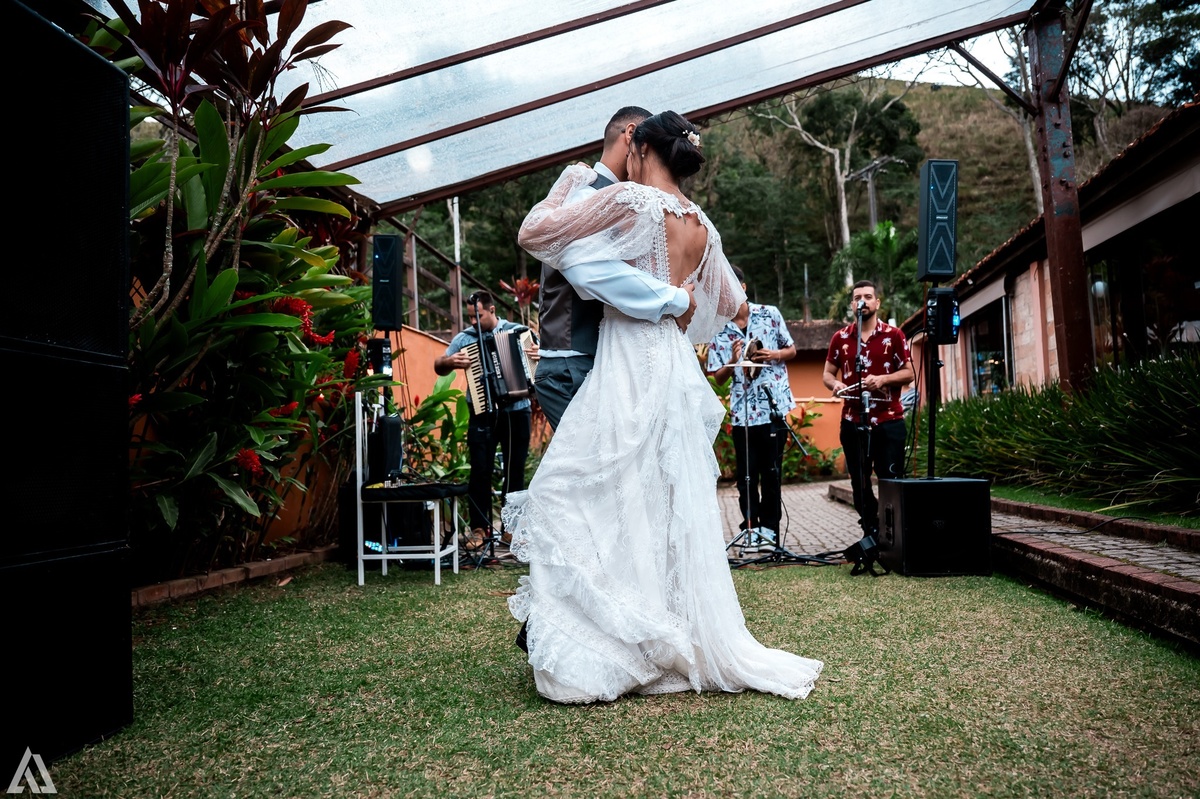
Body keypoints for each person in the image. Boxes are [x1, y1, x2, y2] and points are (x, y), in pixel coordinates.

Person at [508, 111, 823, 704]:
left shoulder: (631, 201)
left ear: (641, 146)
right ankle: (653, 630)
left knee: (568, 491)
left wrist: (642, 289)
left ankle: (623, 640)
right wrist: (679, 297)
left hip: (628, 361)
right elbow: (733, 304)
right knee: (658, 504)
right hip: (676, 366)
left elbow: (537, 234)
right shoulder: (703, 225)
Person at [535, 106, 695, 430]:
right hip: (573, 363)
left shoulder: (626, 201)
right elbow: (587, 271)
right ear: (632, 136)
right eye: (653, 151)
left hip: (598, 361)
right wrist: (676, 299)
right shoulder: (584, 193)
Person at [434, 291, 536, 551]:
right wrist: (449, 361)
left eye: (477, 316)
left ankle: (510, 530)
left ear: (491, 310)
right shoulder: (465, 339)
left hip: (517, 409)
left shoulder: (518, 331)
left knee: (515, 471)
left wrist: (538, 354)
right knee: (480, 470)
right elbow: (438, 365)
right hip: (482, 410)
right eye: (470, 317)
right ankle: (480, 528)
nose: (473, 322)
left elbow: (539, 358)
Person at [706, 266, 797, 552]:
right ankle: (751, 529)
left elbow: (792, 350)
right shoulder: (717, 328)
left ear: (743, 287)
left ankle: (770, 530)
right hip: (743, 413)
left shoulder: (770, 314)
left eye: (731, 285)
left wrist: (773, 354)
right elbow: (716, 377)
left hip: (772, 409)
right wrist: (732, 361)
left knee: (771, 473)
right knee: (747, 476)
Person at [822, 280, 914, 539]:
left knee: (891, 479)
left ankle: (894, 536)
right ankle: (871, 531)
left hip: (888, 420)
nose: (862, 301)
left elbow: (908, 373)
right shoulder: (840, 338)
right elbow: (827, 374)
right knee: (859, 482)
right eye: (857, 297)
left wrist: (883, 379)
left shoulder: (894, 335)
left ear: (877, 302)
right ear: (852, 304)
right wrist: (836, 383)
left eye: (868, 296)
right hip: (852, 420)